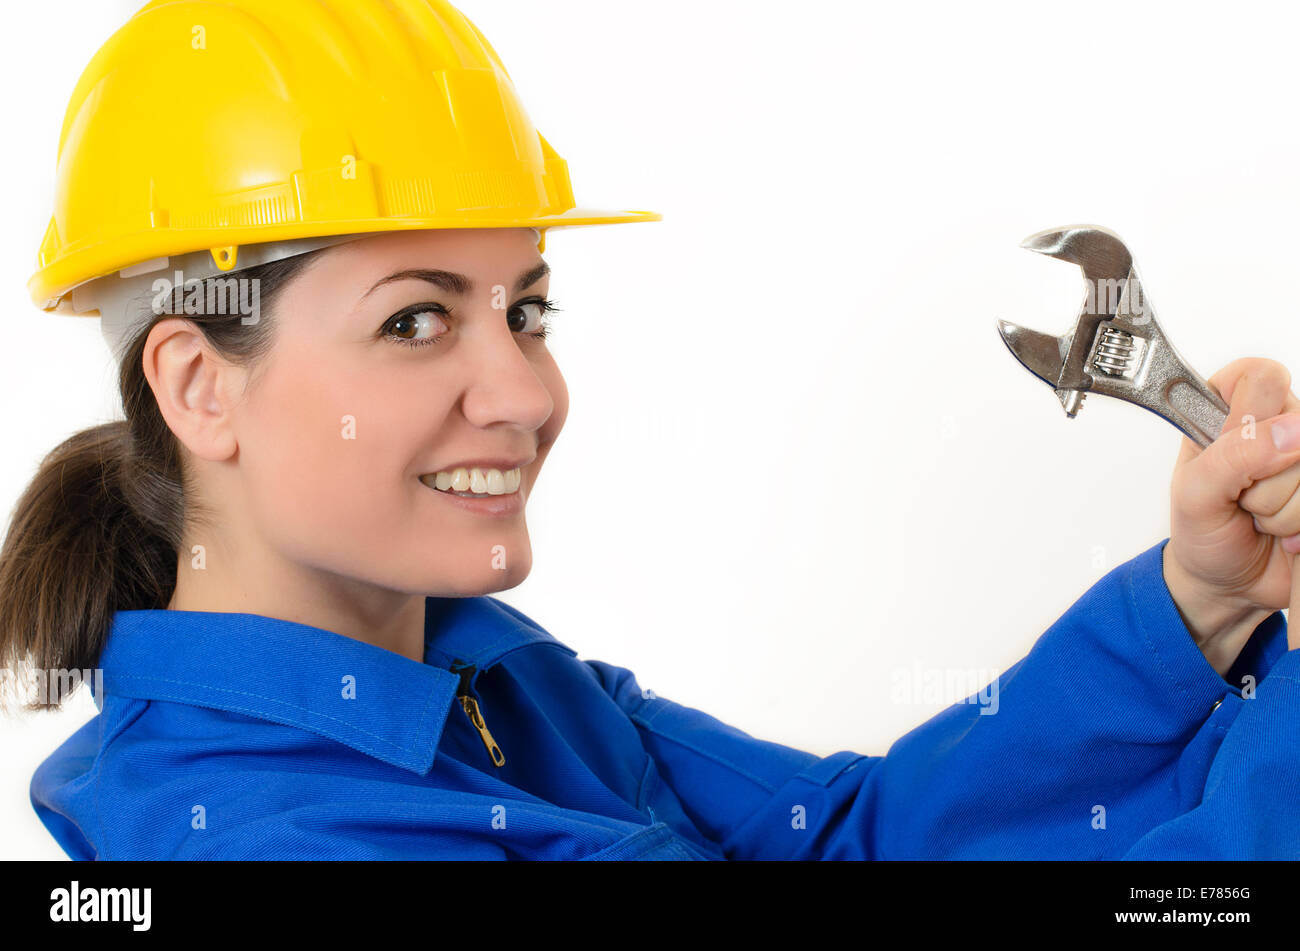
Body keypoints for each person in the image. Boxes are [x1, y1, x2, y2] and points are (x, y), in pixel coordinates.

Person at [7, 0, 1300, 860]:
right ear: (197, 386)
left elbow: (846, 838)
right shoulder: (271, 840)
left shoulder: (489, 677)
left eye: (526, 310)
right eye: (414, 322)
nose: (523, 393)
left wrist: (1198, 606)